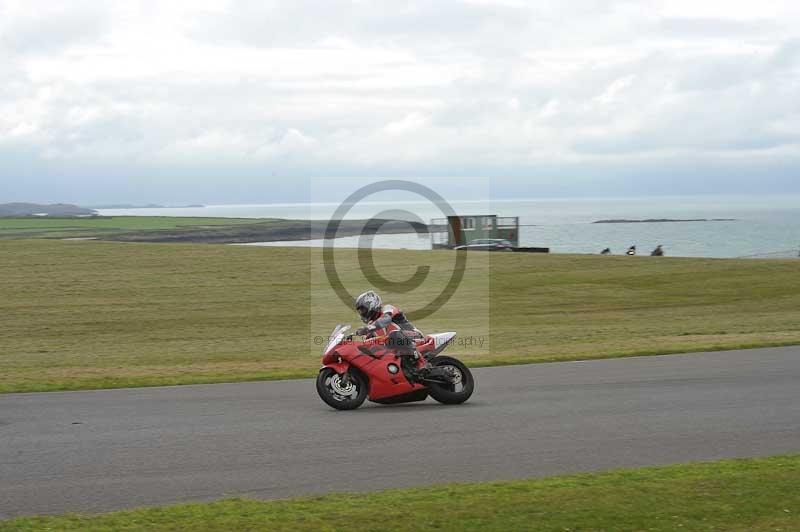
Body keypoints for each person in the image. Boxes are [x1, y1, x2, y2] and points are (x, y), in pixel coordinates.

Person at [354, 290, 426, 379]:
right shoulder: (371, 326)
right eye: (360, 311)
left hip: (414, 337)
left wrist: (366, 329)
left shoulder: (387, 309)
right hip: (397, 347)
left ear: (372, 305)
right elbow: (368, 343)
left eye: (363, 309)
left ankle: (420, 362)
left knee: (393, 334)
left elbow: (385, 320)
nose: (362, 313)